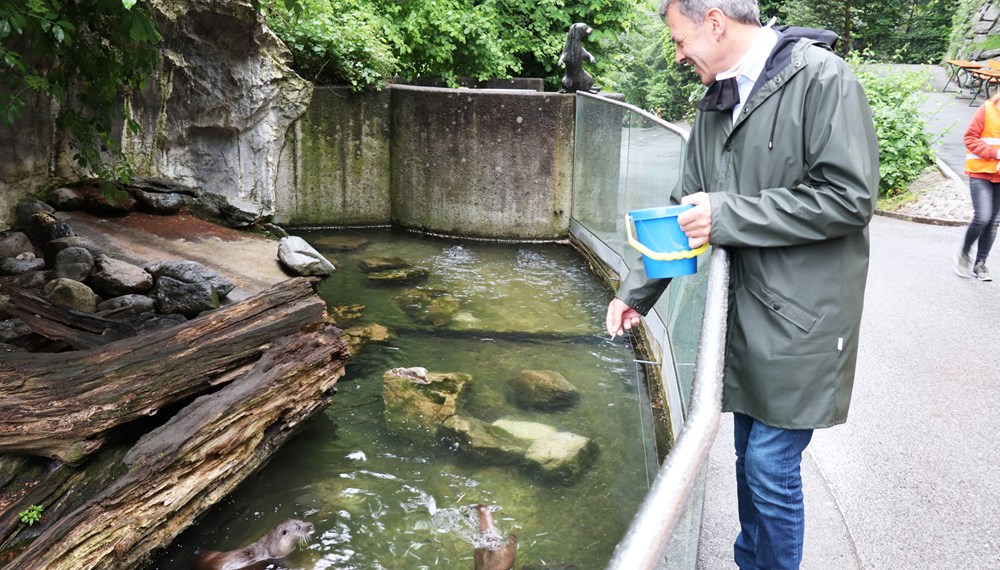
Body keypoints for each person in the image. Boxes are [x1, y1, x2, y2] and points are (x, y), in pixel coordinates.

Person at [605, 1, 879, 568]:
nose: (677, 55)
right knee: (745, 456)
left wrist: (727, 215)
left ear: (714, 21)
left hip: (805, 319)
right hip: (745, 316)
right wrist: (634, 295)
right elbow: (684, 212)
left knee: (769, 468)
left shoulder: (823, 79)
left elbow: (849, 199)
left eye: (680, 40)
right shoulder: (716, 102)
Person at [957, 93, 1000, 281]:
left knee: (993, 222)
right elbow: (970, 138)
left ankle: (980, 264)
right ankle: (964, 255)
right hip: (980, 172)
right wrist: (995, 153)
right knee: (983, 217)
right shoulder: (987, 108)